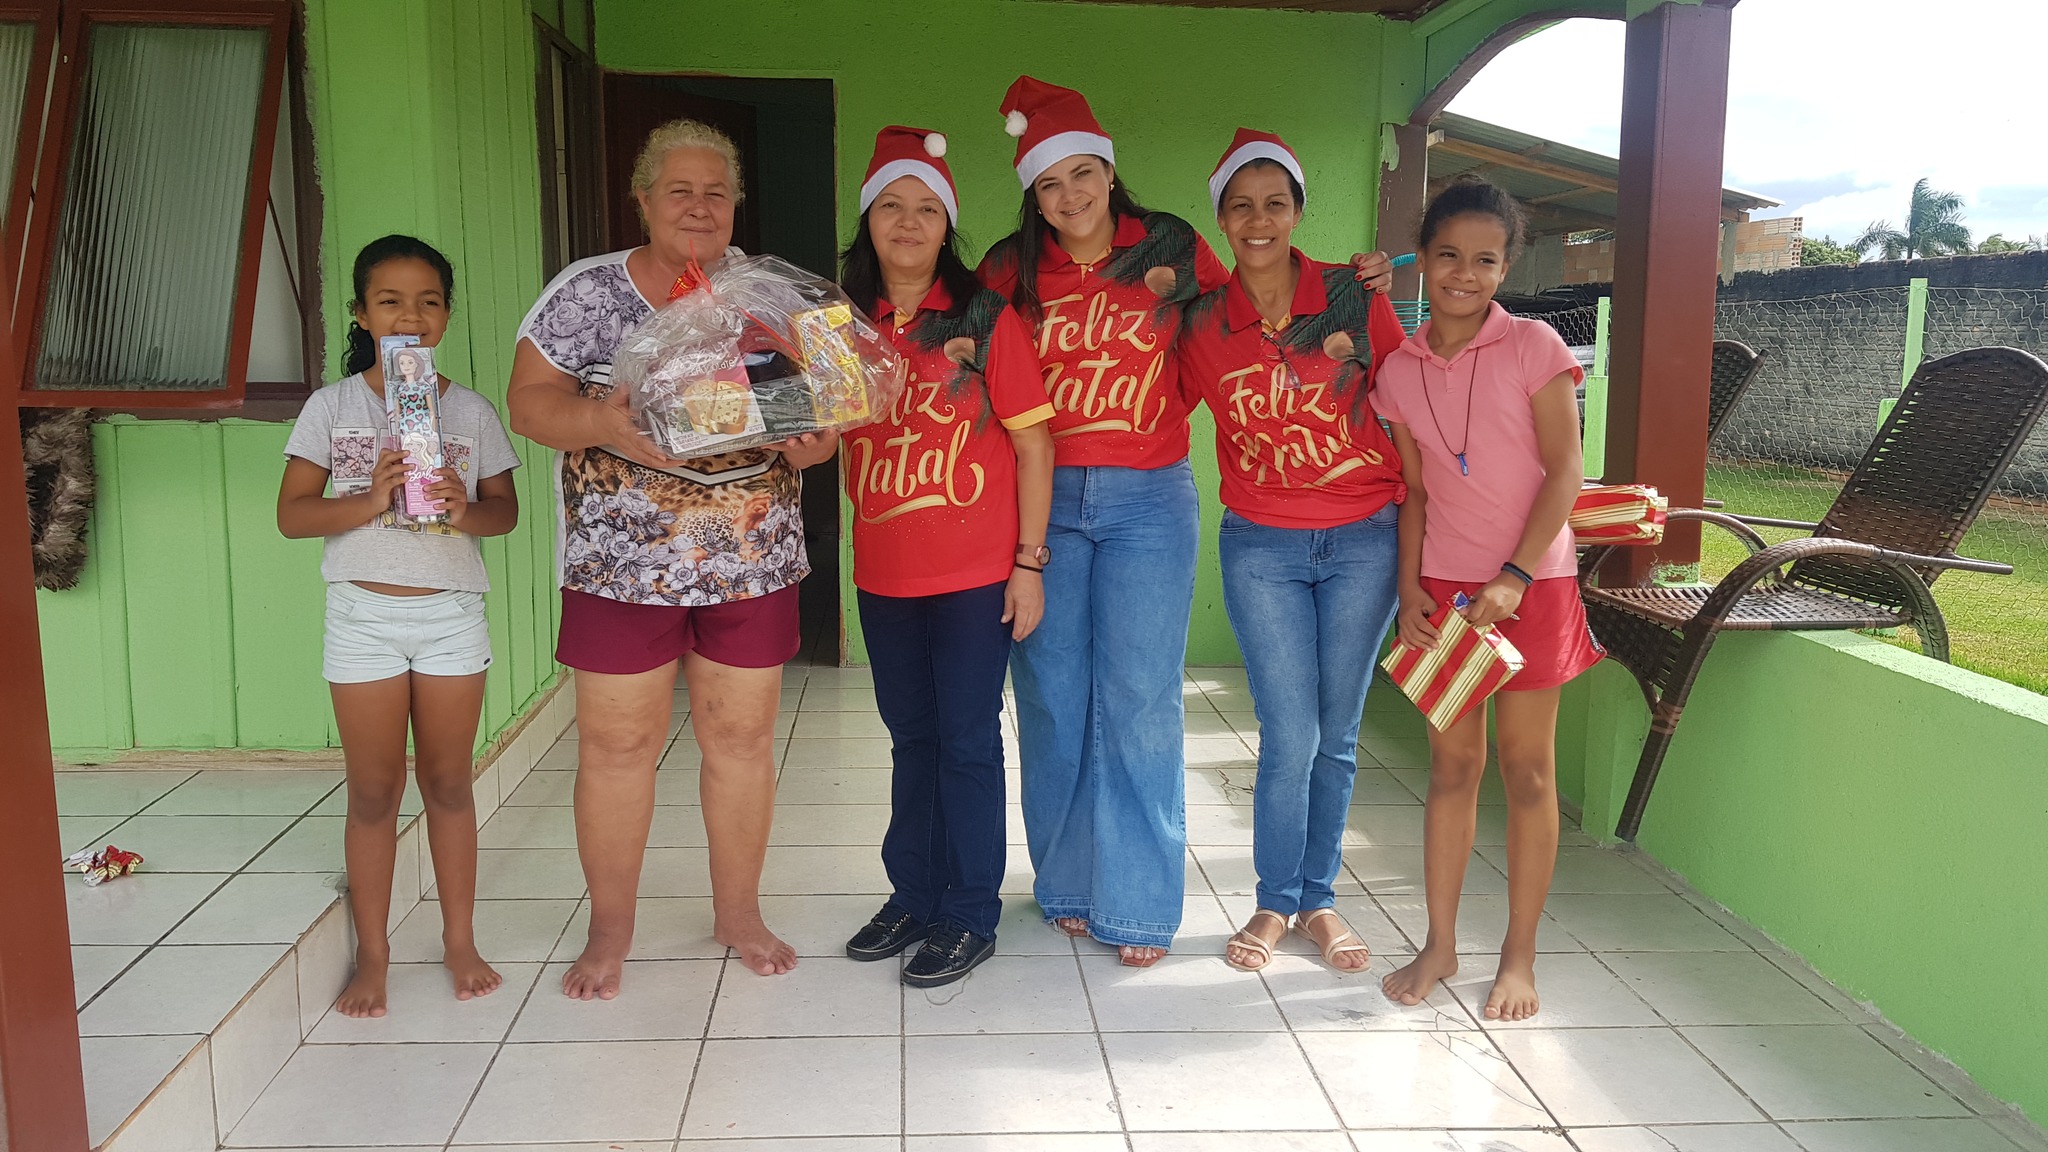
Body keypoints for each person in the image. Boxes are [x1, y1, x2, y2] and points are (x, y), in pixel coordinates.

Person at [507, 120, 838, 995]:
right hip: (621, 566)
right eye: (680, 191)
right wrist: (599, 422)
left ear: (736, 205)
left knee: (742, 739)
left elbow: (823, 415)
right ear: (643, 199)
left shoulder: (770, 296)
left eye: (716, 192)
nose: (699, 207)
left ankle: (738, 913)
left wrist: (817, 444)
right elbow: (529, 405)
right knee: (617, 745)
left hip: (750, 559)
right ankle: (610, 930)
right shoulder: (588, 294)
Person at [975, 76, 1229, 967]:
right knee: (1051, 696)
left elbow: (1244, 316)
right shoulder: (1007, 268)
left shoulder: (1170, 245)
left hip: (1150, 498)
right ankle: (1070, 884)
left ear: (1109, 173)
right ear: (1033, 195)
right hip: (1042, 502)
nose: (1070, 195)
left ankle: (1140, 903)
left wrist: (1354, 289)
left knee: (1141, 699)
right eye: (1049, 184)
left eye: (1082, 174)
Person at [1175, 131, 1411, 974]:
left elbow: (1409, 400)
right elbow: (1150, 405)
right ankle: (1275, 901)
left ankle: (1320, 901)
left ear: (1298, 212)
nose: (1259, 219)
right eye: (1240, 206)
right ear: (1221, 219)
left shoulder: (1352, 293)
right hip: (1261, 545)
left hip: (1365, 538)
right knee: (1290, 732)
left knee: (1337, 734)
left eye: (1275, 202)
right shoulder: (1201, 322)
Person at [1372, 176, 1601, 1020]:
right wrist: (1408, 589)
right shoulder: (1398, 371)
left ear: (1505, 268)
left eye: (1484, 261)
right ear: (1422, 260)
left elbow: (1566, 471)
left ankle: (1519, 955)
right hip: (1445, 590)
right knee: (1452, 766)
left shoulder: (1535, 345)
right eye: (1447, 257)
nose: (1463, 275)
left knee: (1527, 770)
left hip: (1534, 582)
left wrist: (1515, 574)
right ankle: (1439, 944)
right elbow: (1414, 492)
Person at [277, 235, 522, 1017]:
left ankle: (459, 941)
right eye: (390, 302)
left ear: (446, 315)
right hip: (363, 617)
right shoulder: (333, 406)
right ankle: (374, 954)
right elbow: (292, 515)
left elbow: (504, 513)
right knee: (375, 791)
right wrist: (368, 499)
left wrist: (461, 507)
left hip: (450, 616)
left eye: (428, 302)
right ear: (361, 313)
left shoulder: (470, 410)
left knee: (448, 783)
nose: (410, 317)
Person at [835, 126, 1056, 988]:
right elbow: (815, 434)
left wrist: (1028, 563)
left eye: (927, 208)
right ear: (868, 218)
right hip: (883, 571)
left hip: (974, 576)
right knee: (910, 739)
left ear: (947, 225)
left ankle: (969, 912)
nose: (908, 221)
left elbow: (1033, 445)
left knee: (965, 740)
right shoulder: (838, 322)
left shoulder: (984, 318)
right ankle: (914, 894)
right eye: (892, 205)